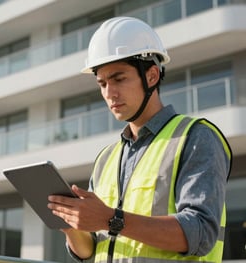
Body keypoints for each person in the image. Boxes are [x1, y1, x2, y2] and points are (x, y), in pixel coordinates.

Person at [47, 17, 232, 263]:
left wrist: (110, 219)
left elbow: (200, 233)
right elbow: (89, 249)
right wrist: (71, 225)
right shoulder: (106, 158)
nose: (109, 93)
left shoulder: (195, 138)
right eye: (102, 83)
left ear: (152, 76)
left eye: (119, 79)